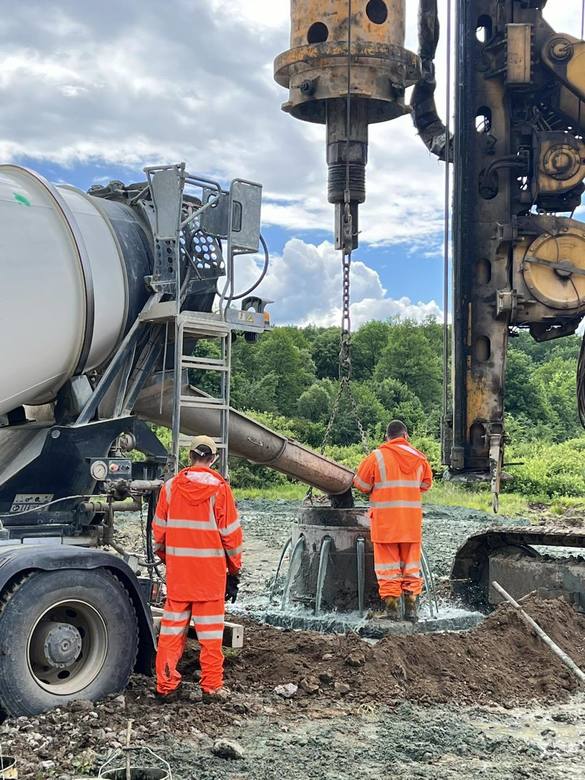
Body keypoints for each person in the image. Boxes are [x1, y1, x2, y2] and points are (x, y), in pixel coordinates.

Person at [153, 435, 242, 701]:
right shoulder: (220, 489)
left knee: (170, 634)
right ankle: (211, 687)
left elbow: (158, 535)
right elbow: (231, 536)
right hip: (210, 577)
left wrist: (173, 560)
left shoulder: (169, 488)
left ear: (189, 457)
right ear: (213, 459)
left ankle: (166, 686)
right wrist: (234, 571)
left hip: (180, 577)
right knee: (211, 637)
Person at [353, 420, 432, 622]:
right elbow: (425, 485)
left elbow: (360, 484)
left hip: (385, 524)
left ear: (387, 437)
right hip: (410, 524)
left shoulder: (377, 456)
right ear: (405, 436)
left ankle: (392, 610)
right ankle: (412, 610)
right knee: (411, 568)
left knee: (387, 569)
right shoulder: (420, 459)